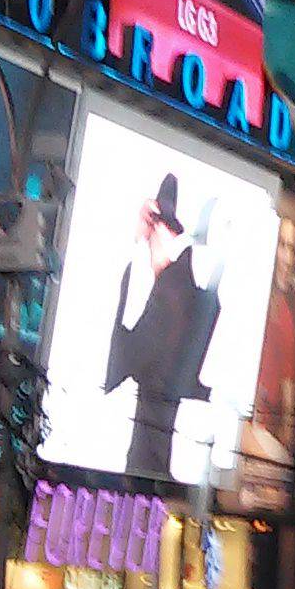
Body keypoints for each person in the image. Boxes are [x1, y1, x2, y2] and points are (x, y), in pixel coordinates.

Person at [106, 172, 207, 478]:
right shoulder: (167, 281)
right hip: (151, 427)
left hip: (158, 428)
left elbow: (141, 345)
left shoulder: (176, 285)